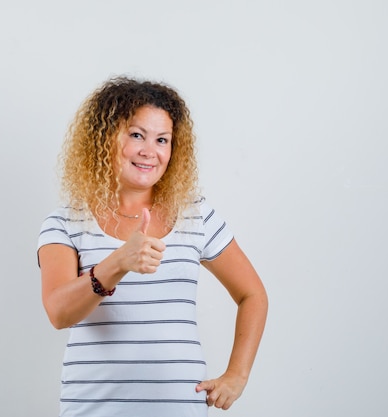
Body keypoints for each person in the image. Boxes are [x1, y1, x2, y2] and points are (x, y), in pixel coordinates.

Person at [37, 76, 268, 417]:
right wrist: (117, 263)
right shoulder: (65, 224)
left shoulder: (196, 217)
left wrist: (237, 374)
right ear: (105, 137)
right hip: (93, 409)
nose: (150, 151)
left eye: (162, 139)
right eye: (136, 135)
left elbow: (253, 295)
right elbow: (58, 313)